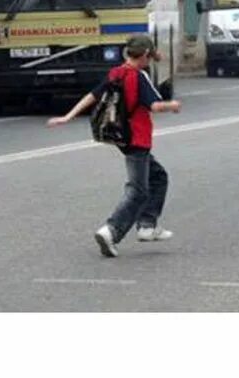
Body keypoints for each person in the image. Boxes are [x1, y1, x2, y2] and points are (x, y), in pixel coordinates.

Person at [47, 33, 181, 257]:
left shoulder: (116, 73)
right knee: (138, 190)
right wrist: (173, 105)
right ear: (145, 55)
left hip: (121, 137)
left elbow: (92, 96)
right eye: (149, 57)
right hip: (137, 139)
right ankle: (111, 230)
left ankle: (147, 226)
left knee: (158, 176)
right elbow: (154, 106)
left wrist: (67, 116)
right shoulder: (138, 76)